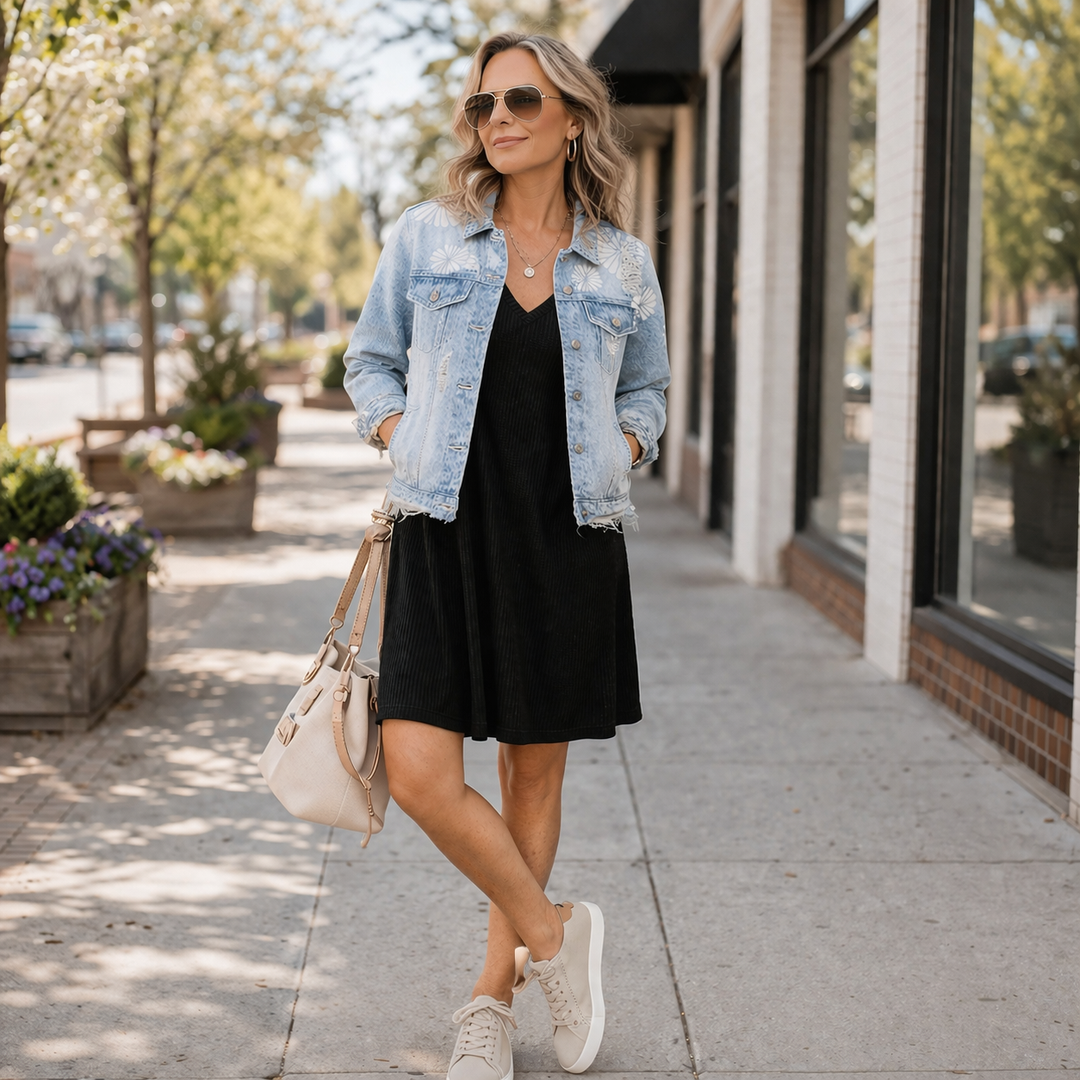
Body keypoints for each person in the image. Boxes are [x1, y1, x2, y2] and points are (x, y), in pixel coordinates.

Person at [344, 29, 670, 1080]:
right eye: (484, 105)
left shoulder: (621, 261)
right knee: (422, 771)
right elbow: (368, 361)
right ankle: (555, 932)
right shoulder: (428, 237)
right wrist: (401, 434)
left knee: (533, 773)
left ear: (572, 117)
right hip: (442, 530)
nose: (499, 120)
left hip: (566, 539)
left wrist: (625, 444)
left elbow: (649, 392)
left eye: (522, 101)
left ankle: (488, 1005)